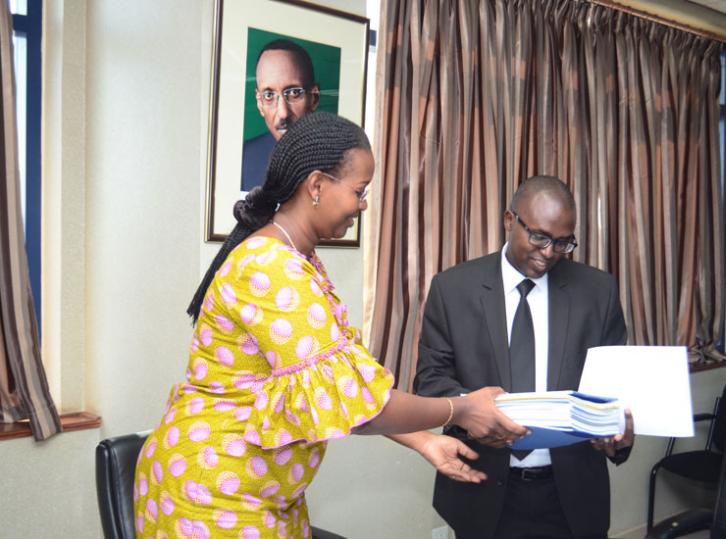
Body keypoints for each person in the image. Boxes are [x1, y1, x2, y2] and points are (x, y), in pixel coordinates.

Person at [133, 112, 527, 538]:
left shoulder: (298, 259)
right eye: (359, 191)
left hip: (261, 494)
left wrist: (424, 440)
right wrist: (463, 408)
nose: (363, 204)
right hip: (212, 494)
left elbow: (342, 394)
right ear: (317, 185)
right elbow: (355, 403)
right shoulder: (269, 266)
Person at [414, 176, 635, 539]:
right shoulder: (453, 289)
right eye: (539, 237)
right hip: (482, 490)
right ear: (508, 220)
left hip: (572, 496)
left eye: (563, 242)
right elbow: (431, 381)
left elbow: (613, 392)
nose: (549, 252)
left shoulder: (598, 291)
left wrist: (617, 431)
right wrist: (472, 414)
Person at [241, 39, 319, 192]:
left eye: (294, 93)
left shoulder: (340, 163)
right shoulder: (243, 158)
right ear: (259, 103)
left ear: (314, 98)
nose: (283, 113)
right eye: (269, 95)